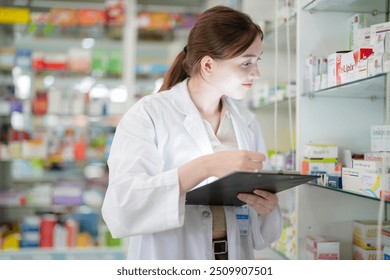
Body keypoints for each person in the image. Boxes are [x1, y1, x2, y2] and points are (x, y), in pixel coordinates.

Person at [102, 5, 282, 260]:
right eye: (246, 62)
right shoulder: (149, 114)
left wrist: (267, 208)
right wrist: (205, 167)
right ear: (208, 65)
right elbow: (122, 208)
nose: (256, 73)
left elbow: (262, 235)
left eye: (256, 61)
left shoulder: (246, 121)